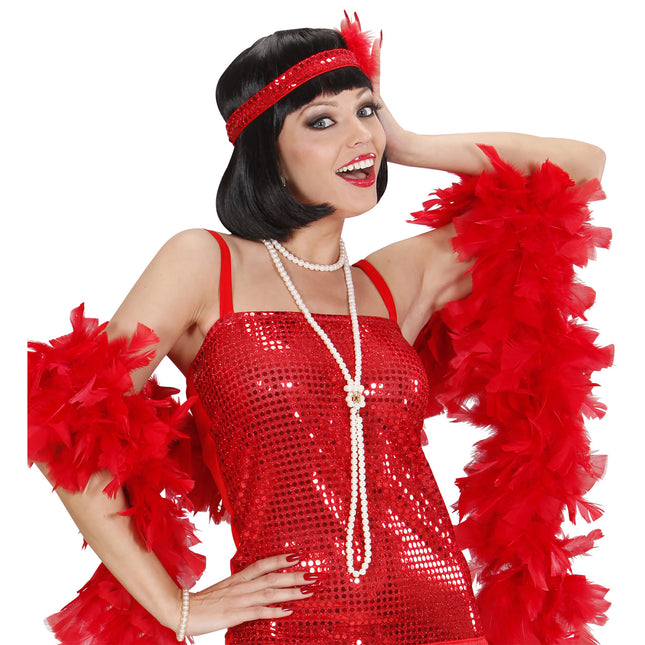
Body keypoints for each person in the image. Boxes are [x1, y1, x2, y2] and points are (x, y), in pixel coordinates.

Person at [28, 14, 612, 645]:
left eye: (365, 111)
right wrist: (177, 608)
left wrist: (405, 142)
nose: (359, 136)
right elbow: (67, 421)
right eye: (321, 121)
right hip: (292, 625)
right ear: (268, 151)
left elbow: (580, 171)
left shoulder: (394, 283)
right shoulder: (205, 264)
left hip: (440, 618)